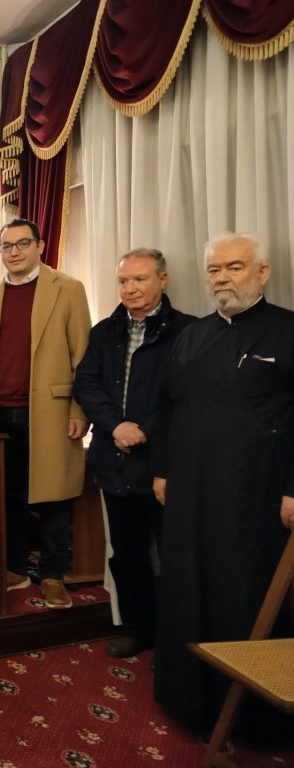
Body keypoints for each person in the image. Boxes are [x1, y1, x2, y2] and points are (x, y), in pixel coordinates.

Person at [151, 233, 294, 734]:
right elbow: (168, 409)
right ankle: (188, 698)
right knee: (190, 587)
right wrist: (163, 470)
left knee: (244, 592)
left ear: (262, 272)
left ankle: (251, 716)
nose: (222, 278)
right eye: (214, 270)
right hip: (190, 493)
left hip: (257, 496)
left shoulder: (288, 331)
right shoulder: (192, 335)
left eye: (235, 267)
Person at [0, 218, 91, 609]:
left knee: (54, 497)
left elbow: (83, 356)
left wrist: (79, 409)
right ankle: (16, 568)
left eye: (22, 244)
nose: (14, 252)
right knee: (8, 496)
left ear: (39, 246)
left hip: (52, 412)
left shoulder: (68, 289)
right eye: (6, 246)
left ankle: (53, 576)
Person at [73, 249, 194, 658]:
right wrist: (115, 426)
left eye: (140, 279)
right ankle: (138, 629)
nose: (130, 288)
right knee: (127, 554)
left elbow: (184, 396)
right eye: (123, 281)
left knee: (173, 557)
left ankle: (174, 642)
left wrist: (144, 430)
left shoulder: (187, 331)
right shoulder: (104, 332)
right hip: (115, 460)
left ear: (163, 280)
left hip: (164, 465)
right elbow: (87, 384)